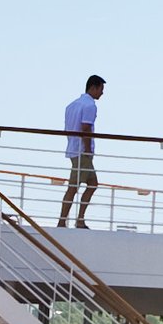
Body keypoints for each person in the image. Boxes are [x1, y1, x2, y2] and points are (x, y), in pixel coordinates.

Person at [59, 73, 105, 226]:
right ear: (93, 87)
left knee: (92, 184)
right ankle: (66, 220)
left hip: (73, 149)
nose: (102, 93)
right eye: (100, 89)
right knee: (74, 187)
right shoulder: (89, 105)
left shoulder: (71, 105)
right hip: (82, 152)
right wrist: (87, 149)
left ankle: (78, 219)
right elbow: (85, 128)